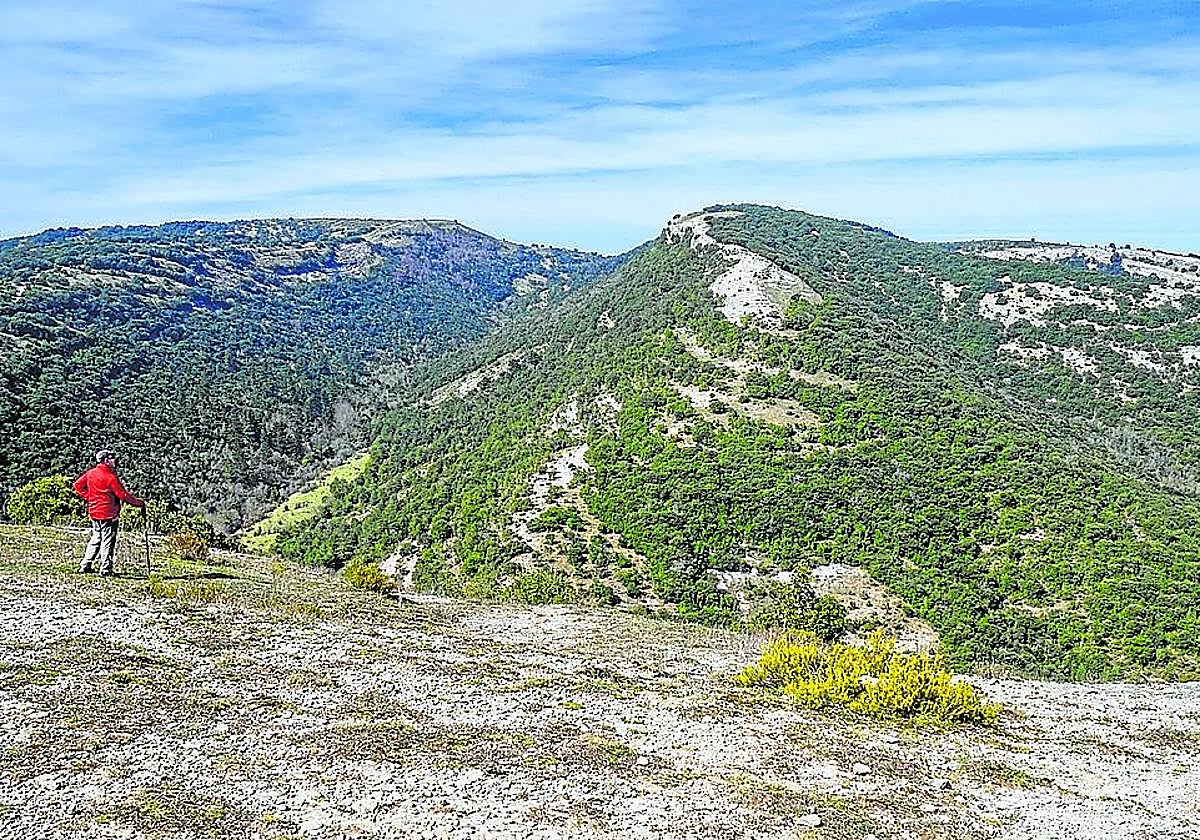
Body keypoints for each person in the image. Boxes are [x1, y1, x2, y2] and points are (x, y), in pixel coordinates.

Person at [73, 449, 145, 576]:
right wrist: (139, 503)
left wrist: (88, 497)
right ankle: (105, 569)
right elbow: (123, 495)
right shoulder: (110, 477)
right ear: (106, 460)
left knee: (96, 538)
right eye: (112, 458)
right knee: (107, 541)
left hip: (94, 512)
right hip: (108, 513)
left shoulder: (91, 473)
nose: (114, 460)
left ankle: (85, 564)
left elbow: (77, 485)